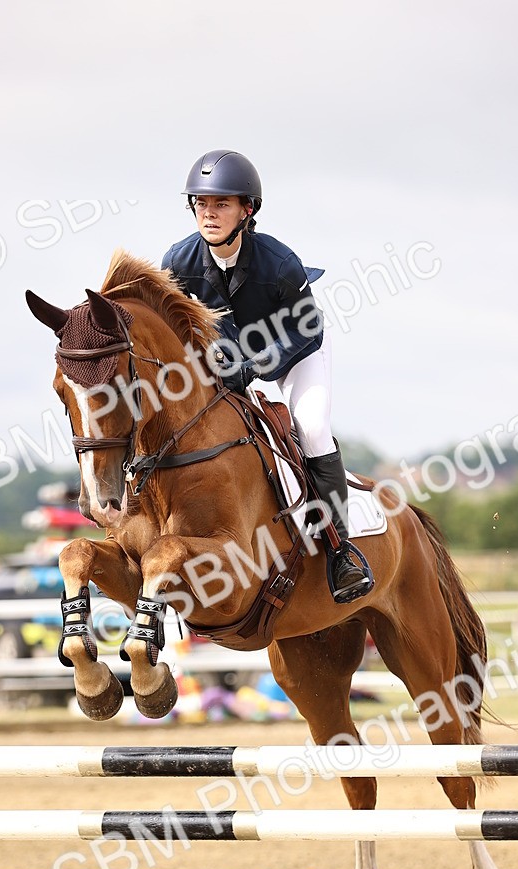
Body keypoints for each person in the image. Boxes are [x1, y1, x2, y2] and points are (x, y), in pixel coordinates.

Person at [161, 148, 373, 604]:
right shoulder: (177, 262)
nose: (209, 214)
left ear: (247, 210)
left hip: (298, 349)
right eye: (201, 204)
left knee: (312, 430)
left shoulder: (278, 262)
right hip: (227, 361)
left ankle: (341, 550)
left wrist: (253, 367)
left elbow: (305, 326)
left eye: (221, 204)